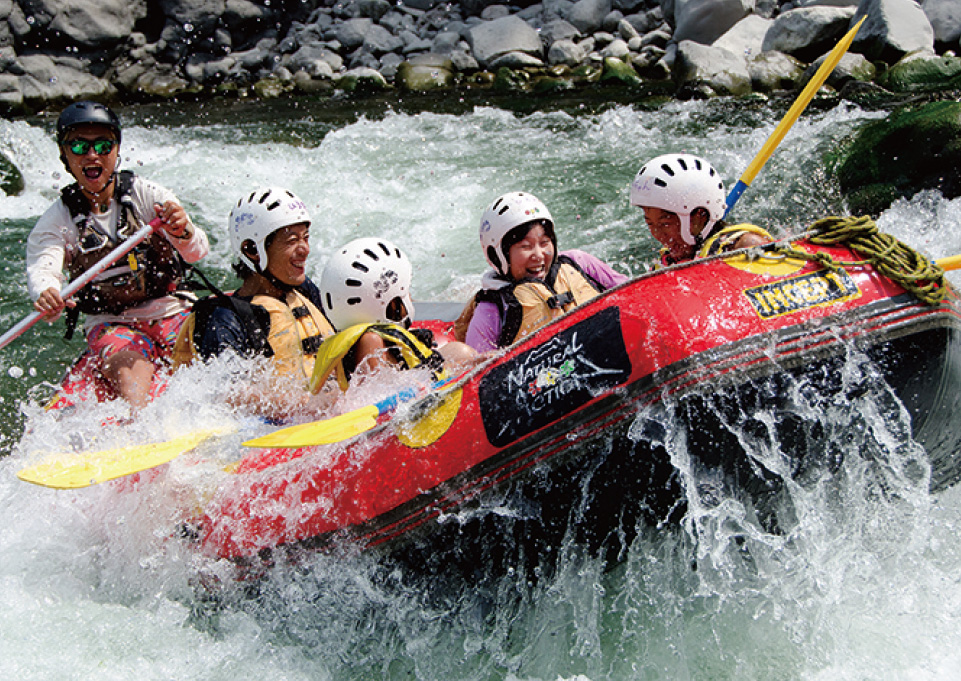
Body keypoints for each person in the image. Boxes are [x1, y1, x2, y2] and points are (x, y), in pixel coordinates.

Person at [27, 101, 209, 408]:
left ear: (116, 150)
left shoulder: (148, 195)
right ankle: (141, 427)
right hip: (111, 321)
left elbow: (197, 252)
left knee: (214, 341)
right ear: (64, 156)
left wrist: (183, 232)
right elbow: (43, 267)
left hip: (170, 309)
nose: (92, 155)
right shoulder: (57, 219)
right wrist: (47, 293)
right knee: (129, 367)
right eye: (79, 147)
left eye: (102, 145)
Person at [172, 187, 336, 416]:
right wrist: (307, 406)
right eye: (292, 241)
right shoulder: (223, 318)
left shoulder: (302, 290)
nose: (305, 249)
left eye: (305, 238)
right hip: (269, 433)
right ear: (252, 250)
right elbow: (225, 394)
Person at [454, 191, 628, 353]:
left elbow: (631, 292)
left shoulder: (578, 263)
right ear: (498, 255)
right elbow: (476, 369)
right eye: (525, 246)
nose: (538, 255)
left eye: (544, 242)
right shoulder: (493, 308)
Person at [309, 236, 476, 394]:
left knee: (458, 351)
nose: (410, 297)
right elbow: (375, 395)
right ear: (391, 302)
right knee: (462, 353)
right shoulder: (371, 339)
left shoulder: (364, 335)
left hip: (417, 374)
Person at [629, 153, 772, 266]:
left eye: (665, 224)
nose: (659, 235)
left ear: (700, 215)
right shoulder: (667, 264)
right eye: (650, 224)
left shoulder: (746, 247)